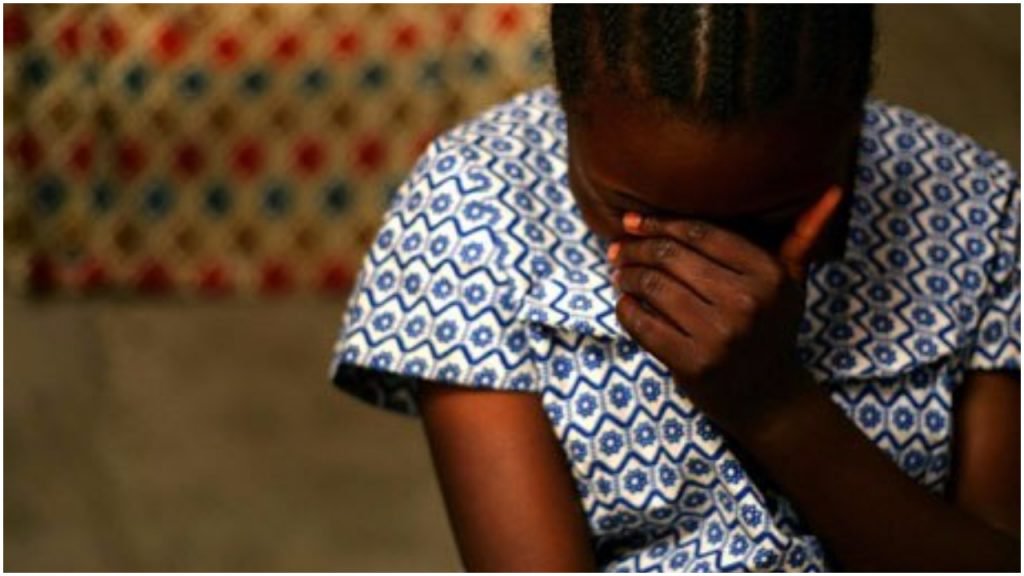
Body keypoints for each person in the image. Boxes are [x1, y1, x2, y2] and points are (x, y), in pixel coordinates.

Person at [329, 5, 1019, 571]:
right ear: (569, 108)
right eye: (639, 215)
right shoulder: (475, 204)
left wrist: (774, 404)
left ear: (855, 121)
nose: (710, 269)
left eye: (770, 220)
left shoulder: (978, 209)